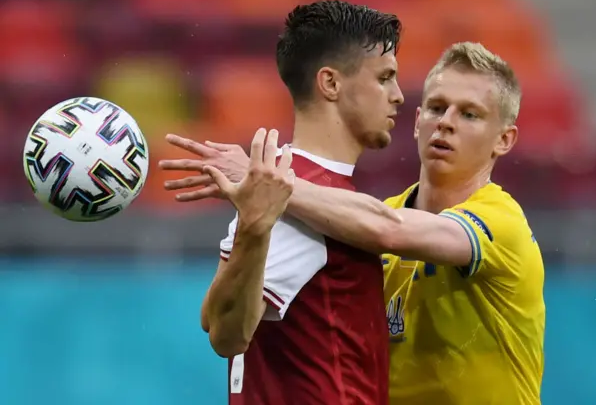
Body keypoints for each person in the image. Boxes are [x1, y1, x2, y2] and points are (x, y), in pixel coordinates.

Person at [161, 42, 546, 405]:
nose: (445, 123)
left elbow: (390, 229)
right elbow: (218, 320)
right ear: (415, 122)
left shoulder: (501, 221)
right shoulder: (360, 218)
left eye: (469, 114)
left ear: (504, 139)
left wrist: (264, 179)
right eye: (436, 107)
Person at [161, 0, 404, 405]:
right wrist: (255, 228)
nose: (397, 95)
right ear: (330, 84)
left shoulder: (289, 187)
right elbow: (227, 332)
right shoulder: (298, 200)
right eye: (384, 78)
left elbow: (213, 314)